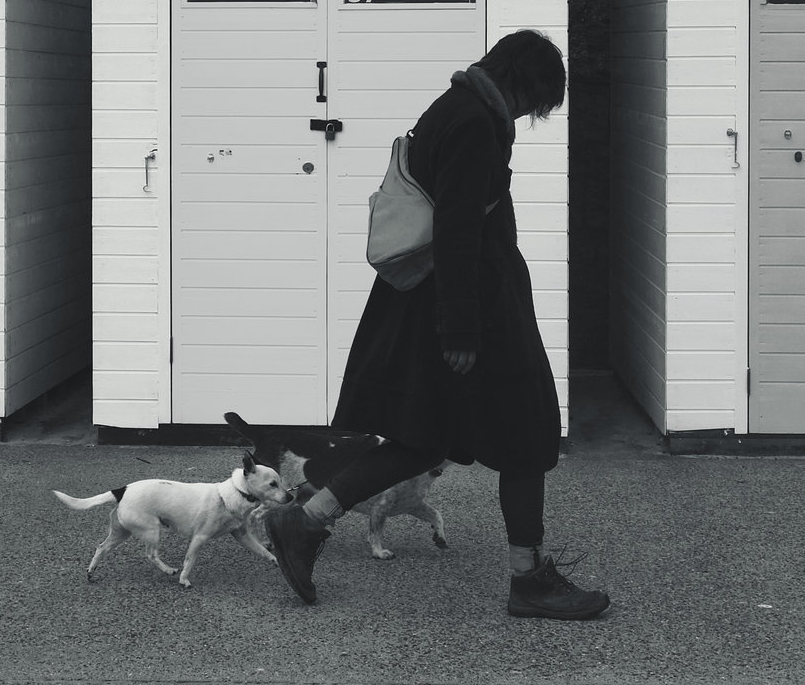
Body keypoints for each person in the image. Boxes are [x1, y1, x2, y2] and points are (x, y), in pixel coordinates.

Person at [261, 30, 609, 621]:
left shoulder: (456, 105)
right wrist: (462, 332)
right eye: (539, 100)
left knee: (425, 438)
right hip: (468, 309)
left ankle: (304, 519)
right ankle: (529, 582)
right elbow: (457, 229)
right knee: (528, 437)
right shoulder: (475, 120)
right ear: (524, 81)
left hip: (430, 301)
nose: (533, 114)